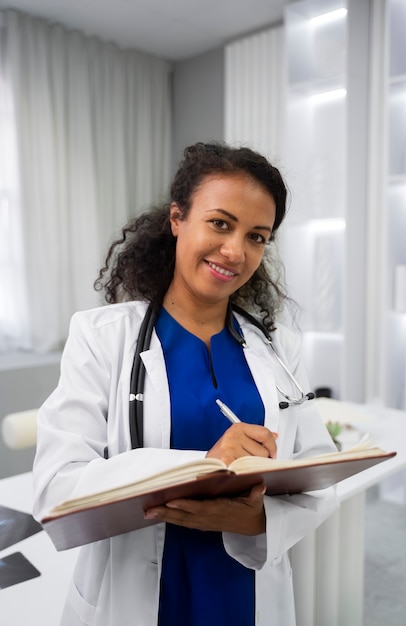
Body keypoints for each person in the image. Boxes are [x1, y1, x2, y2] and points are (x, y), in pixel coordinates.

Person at [33, 142, 339, 626]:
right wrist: (205, 467)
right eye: (220, 223)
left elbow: (315, 478)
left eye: (257, 236)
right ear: (177, 218)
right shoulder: (102, 337)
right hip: (139, 599)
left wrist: (257, 521)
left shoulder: (278, 349)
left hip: (243, 592)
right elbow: (57, 491)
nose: (236, 251)